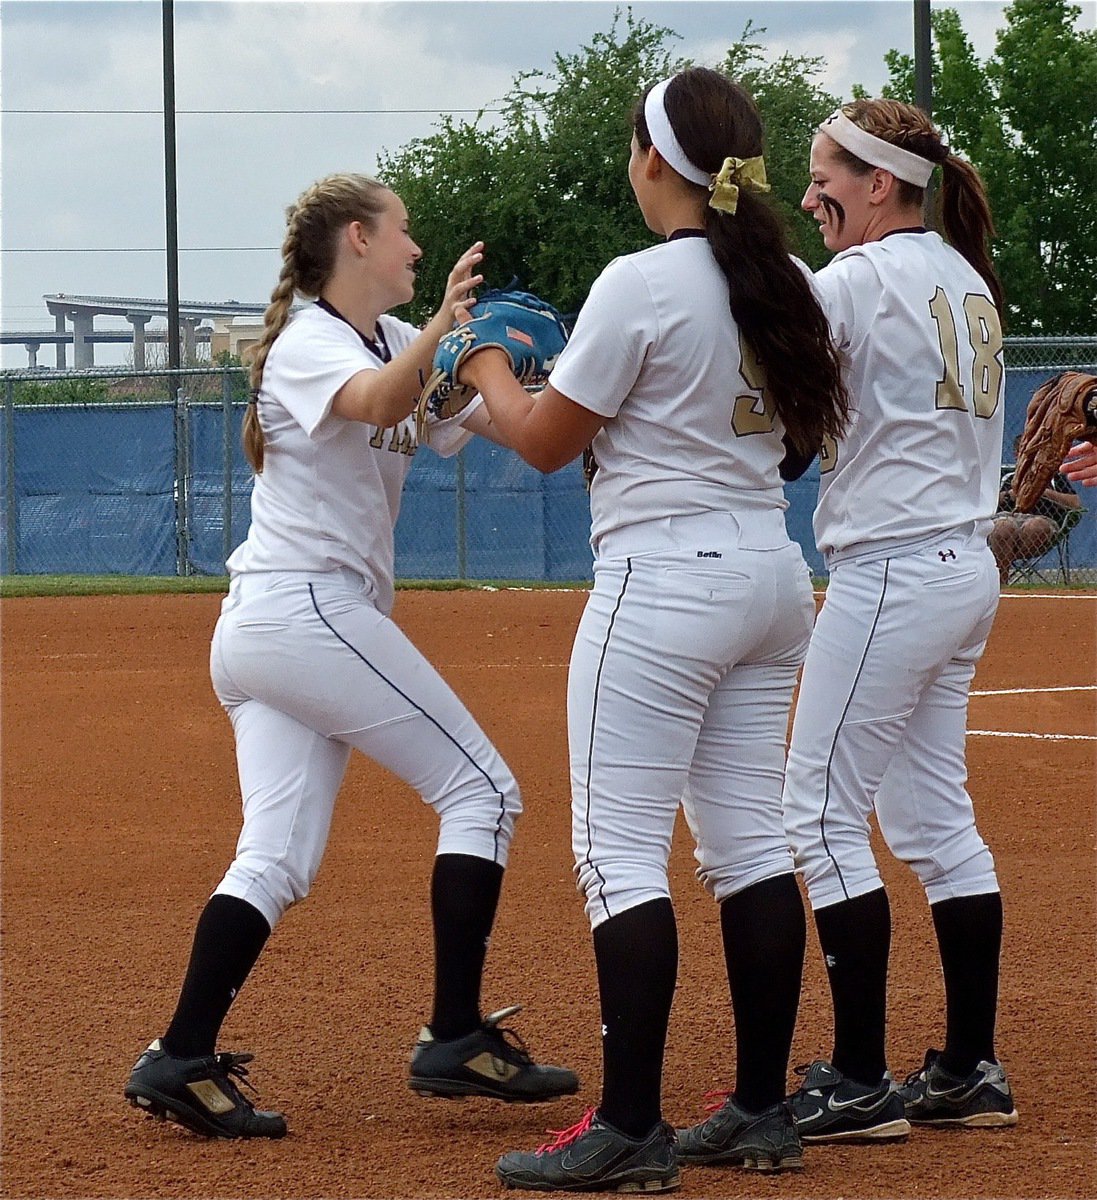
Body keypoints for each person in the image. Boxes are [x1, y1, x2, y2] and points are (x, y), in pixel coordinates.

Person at [454, 68, 850, 1192]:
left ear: (650, 164)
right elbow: (793, 448)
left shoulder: (639, 281)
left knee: (616, 854)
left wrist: (480, 356)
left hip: (662, 580)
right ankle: (763, 1111)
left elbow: (539, 439)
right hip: (771, 575)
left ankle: (630, 1127)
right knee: (749, 850)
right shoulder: (783, 282)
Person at [123, 172, 577, 1139]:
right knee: (484, 792)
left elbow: (511, 426)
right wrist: (443, 326)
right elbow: (375, 400)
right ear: (358, 242)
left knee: (276, 857)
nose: (418, 250)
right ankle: (453, 1034)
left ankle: (178, 1057)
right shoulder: (307, 343)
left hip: (282, 629)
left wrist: (515, 365)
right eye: (405, 233)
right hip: (303, 612)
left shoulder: (383, 343)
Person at [782, 99, 1019, 1144]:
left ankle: (857, 1077)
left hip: (890, 569)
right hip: (959, 564)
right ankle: (967, 1068)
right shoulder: (961, 276)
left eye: (825, 171)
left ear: (881, 182)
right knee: (932, 821)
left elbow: (775, 402)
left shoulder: (859, 278)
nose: (807, 193)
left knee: (817, 813)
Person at [990, 436, 1080, 586]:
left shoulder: (1053, 476)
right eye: (1025, 453)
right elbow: (987, 501)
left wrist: (1043, 491)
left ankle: (1006, 558)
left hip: (1043, 519)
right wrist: (1009, 495)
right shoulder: (1007, 476)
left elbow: (1075, 503)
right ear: (1017, 455)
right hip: (1008, 516)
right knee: (1003, 526)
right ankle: (1001, 584)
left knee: (1035, 525)